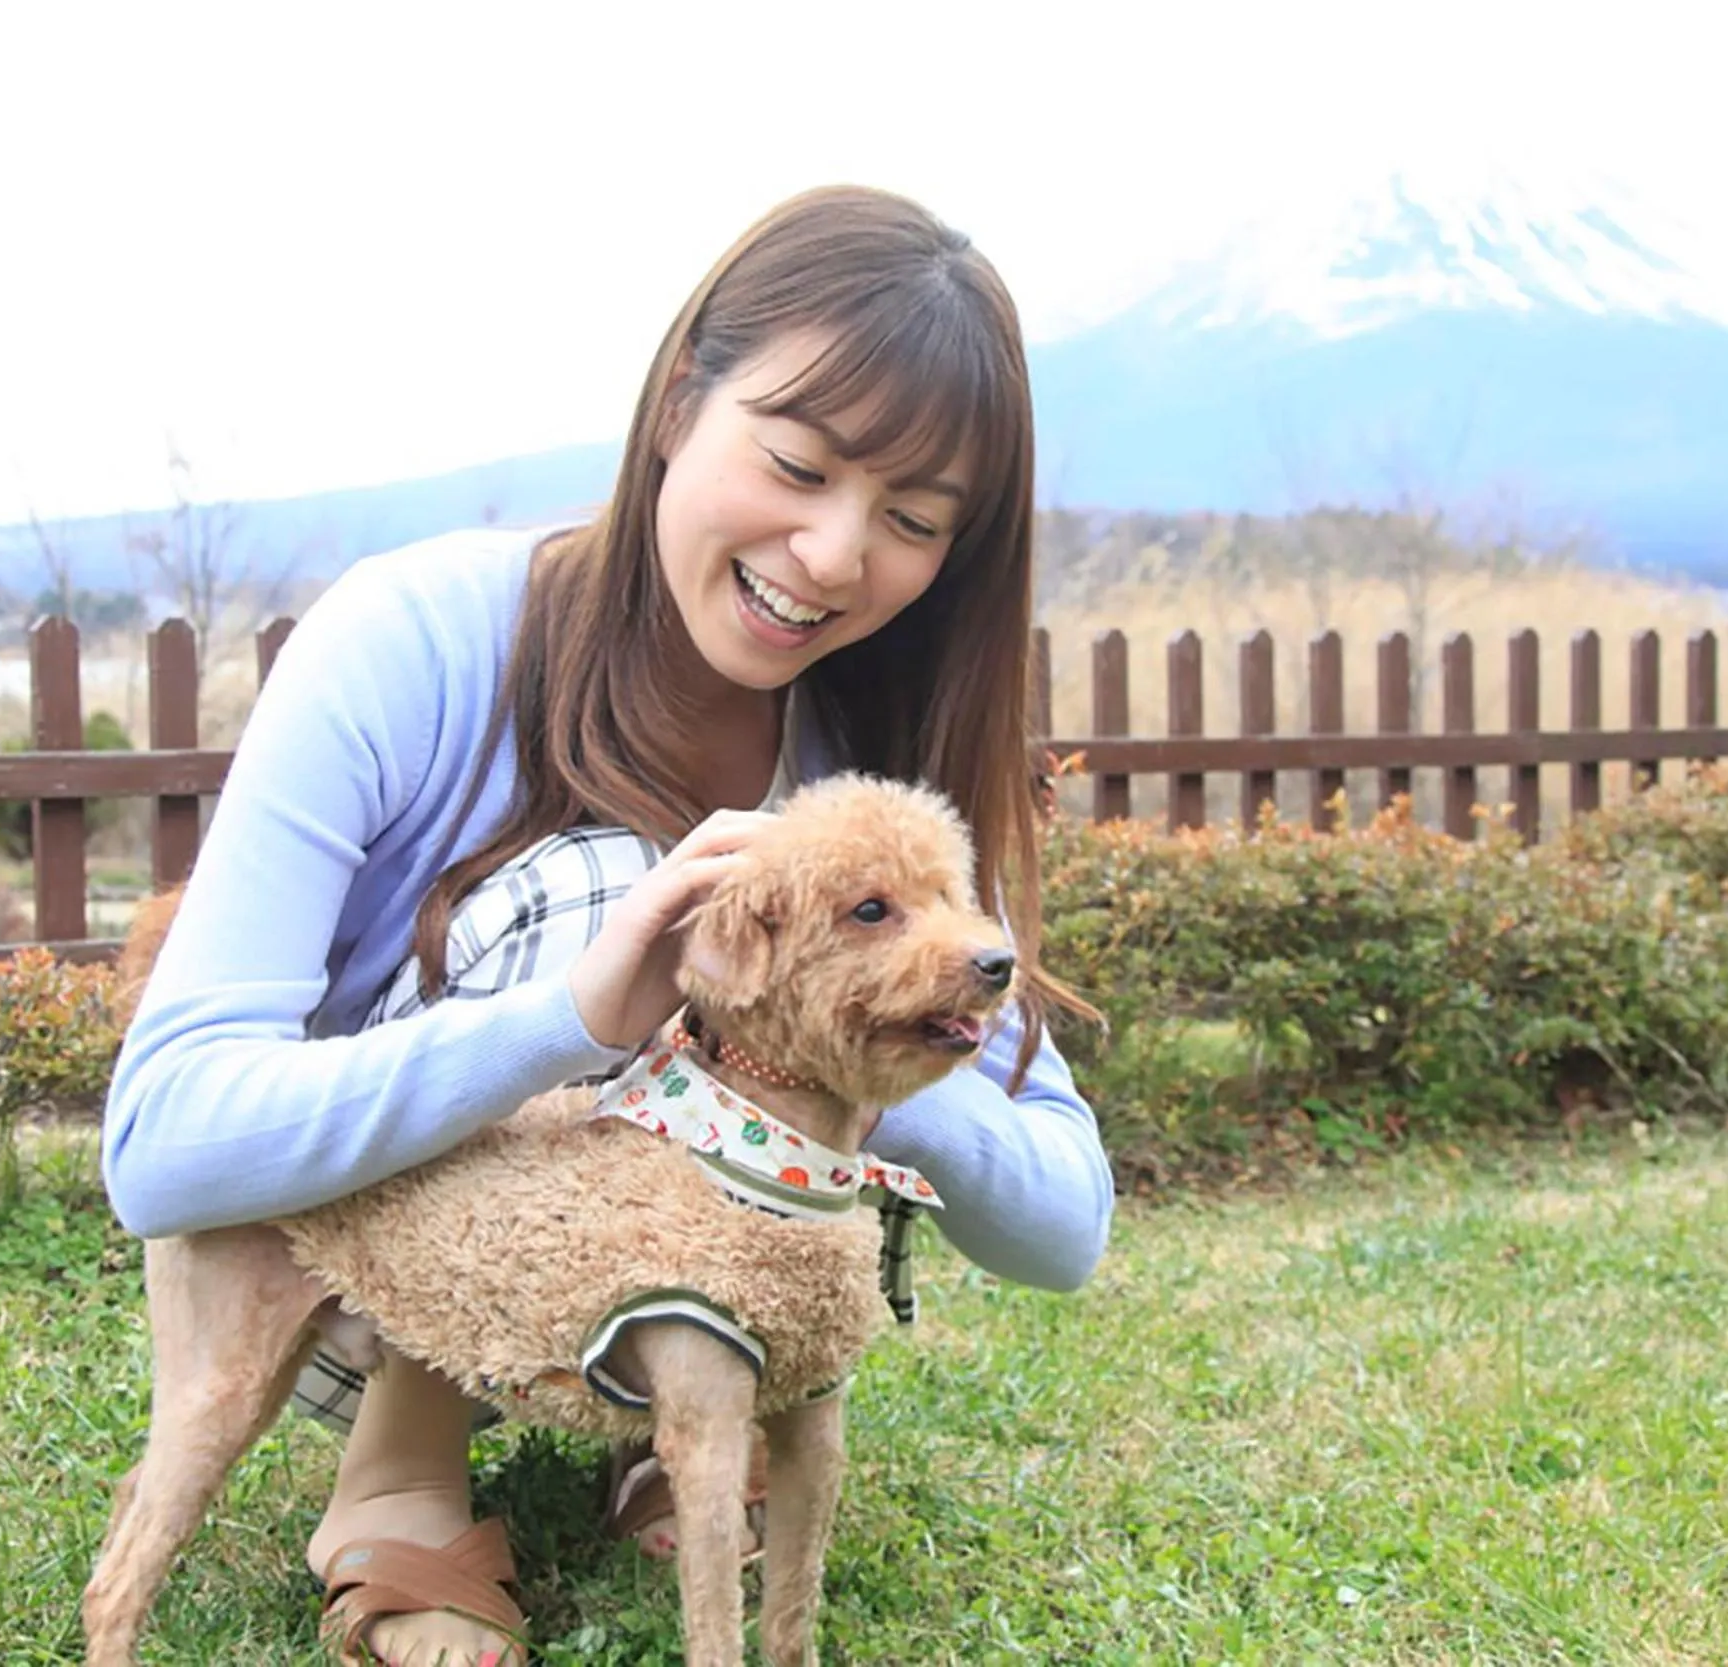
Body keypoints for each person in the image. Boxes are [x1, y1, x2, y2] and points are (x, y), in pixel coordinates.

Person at [100, 183, 1115, 1667]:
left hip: (680, 1247)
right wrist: (578, 1012)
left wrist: (867, 1030)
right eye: (797, 463)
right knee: (607, 888)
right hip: (358, 1261)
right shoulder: (411, 636)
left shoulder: (871, 795)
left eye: (908, 520)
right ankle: (397, 1470)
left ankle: (679, 1407)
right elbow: (162, 1141)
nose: (833, 554)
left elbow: (1064, 1220)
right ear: (677, 401)